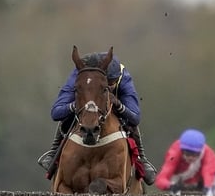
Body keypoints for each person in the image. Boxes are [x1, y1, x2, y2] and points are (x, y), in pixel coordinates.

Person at [37, 50, 158, 184]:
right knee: (69, 115)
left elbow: (135, 117)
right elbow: (56, 113)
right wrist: (75, 105)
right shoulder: (80, 74)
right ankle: (54, 152)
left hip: (112, 106)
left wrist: (118, 104)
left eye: (113, 83)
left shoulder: (124, 77)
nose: (111, 86)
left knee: (131, 122)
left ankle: (142, 158)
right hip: (86, 106)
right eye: (109, 83)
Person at [154, 129, 215, 193]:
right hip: (177, 184)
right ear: (181, 150)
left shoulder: (209, 155)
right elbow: (160, 179)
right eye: (187, 153)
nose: (190, 157)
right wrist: (170, 186)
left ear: (200, 151)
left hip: (199, 185)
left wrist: (207, 187)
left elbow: (209, 176)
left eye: (195, 154)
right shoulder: (174, 152)